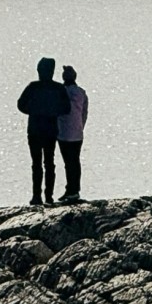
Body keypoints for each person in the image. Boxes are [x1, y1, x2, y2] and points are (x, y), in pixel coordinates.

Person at [15, 56, 71, 206]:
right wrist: (52, 112)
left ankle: (37, 196)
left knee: (37, 163)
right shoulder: (58, 88)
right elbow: (66, 108)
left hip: (35, 128)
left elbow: (21, 105)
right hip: (50, 128)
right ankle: (48, 196)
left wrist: (34, 110)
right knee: (49, 162)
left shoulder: (33, 87)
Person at [57, 65, 89, 203]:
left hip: (63, 132)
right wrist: (81, 125)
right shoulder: (81, 92)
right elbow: (84, 112)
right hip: (78, 132)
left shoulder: (61, 92)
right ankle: (74, 190)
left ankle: (70, 190)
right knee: (75, 161)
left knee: (68, 162)